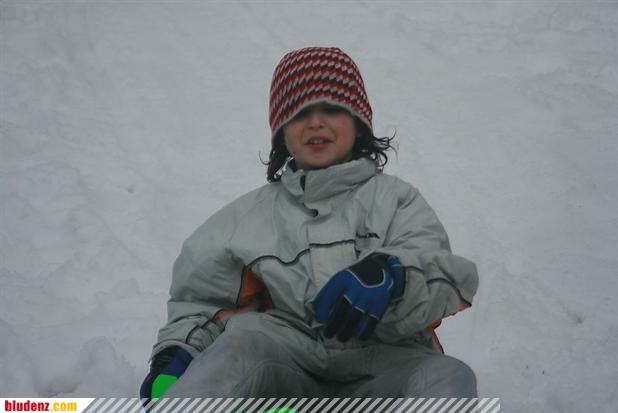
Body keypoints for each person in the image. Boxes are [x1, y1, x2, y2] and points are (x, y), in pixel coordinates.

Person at [139, 46, 479, 402]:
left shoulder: (396, 200)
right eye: (300, 112)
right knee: (238, 349)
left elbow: (443, 276)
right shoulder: (247, 218)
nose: (316, 122)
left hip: (384, 365)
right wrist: (176, 356)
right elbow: (203, 301)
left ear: (359, 123)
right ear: (281, 132)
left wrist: (393, 276)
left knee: (449, 377)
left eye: (332, 108)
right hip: (285, 366)